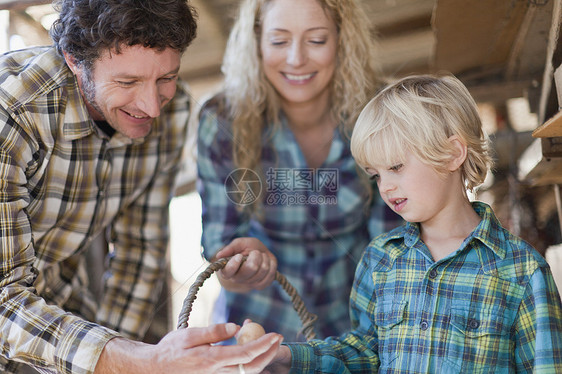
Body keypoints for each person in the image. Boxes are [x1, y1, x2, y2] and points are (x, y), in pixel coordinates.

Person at [0, 1, 282, 373]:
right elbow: (4, 298)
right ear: (73, 60)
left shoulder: (175, 108)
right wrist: (140, 360)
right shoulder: (13, 113)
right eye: (127, 82)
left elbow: (140, 252)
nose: (152, 107)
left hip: (64, 312)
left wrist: (130, 357)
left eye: (166, 78)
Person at [265, 74, 562, 373]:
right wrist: (287, 356)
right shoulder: (380, 258)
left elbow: (546, 367)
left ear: (452, 154)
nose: (385, 187)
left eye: (396, 167)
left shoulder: (522, 271)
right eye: (376, 174)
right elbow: (365, 350)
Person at [197, 0, 400, 342]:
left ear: (342, 39)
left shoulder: (382, 114)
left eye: (316, 40)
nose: (296, 59)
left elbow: (392, 251)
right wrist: (241, 267)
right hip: (255, 333)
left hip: (357, 331)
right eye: (279, 41)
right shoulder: (222, 123)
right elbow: (221, 258)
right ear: (256, 43)